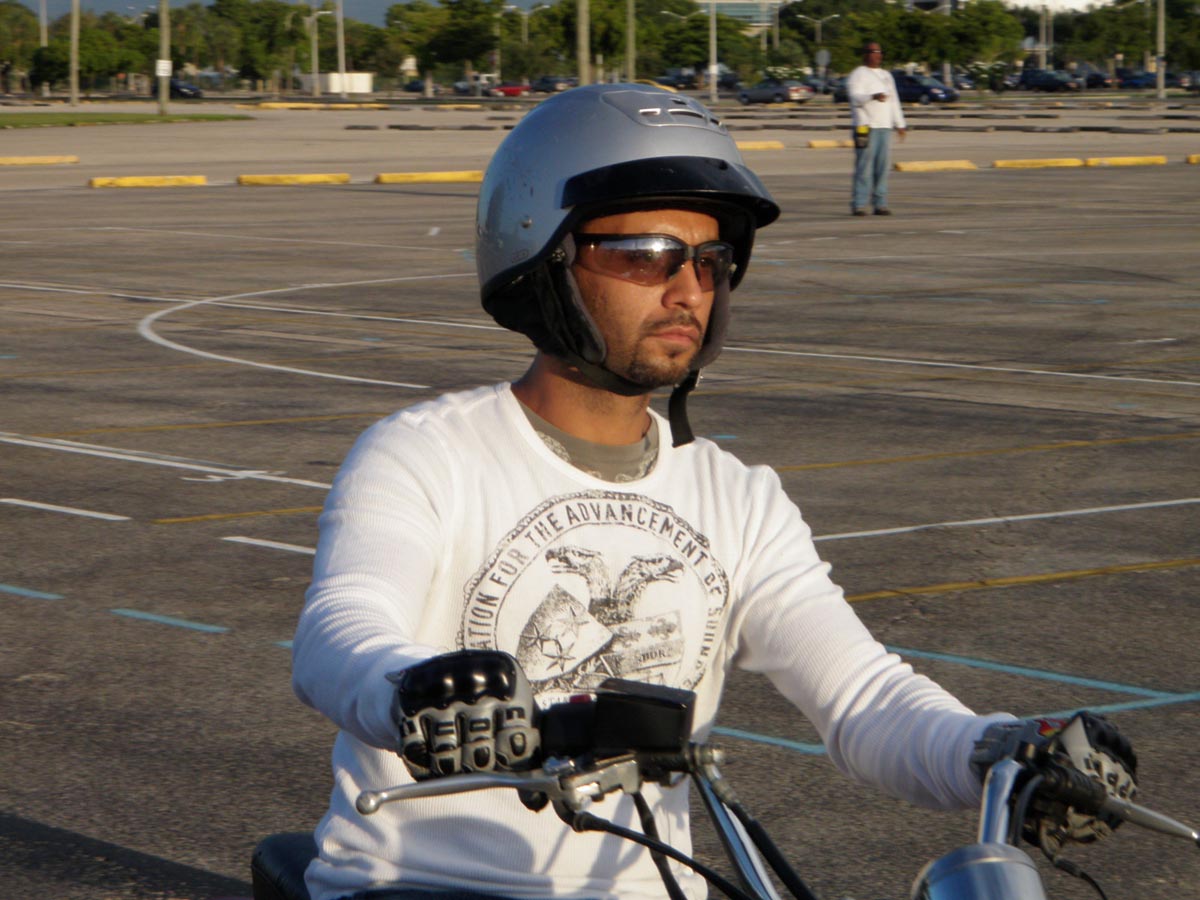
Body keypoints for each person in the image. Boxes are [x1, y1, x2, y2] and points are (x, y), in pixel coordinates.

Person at [290, 84, 1134, 900]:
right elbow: (342, 631)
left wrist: (999, 754)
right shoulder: (427, 454)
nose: (688, 288)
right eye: (644, 254)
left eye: (710, 259)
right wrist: (415, 693)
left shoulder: (739, 498)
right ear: (544, 259)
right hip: (422, 885)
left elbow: (863, 697)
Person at [846, 42, 907, 216]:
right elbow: (855, 97)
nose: (878, 55)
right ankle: (859, 204)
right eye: (874, 52)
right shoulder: (858, 74)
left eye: (880, 51)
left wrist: (900, 124)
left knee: (882, 167)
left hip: (884, 126)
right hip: (865, 127)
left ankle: (880, 203)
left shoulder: (886, 75)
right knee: (864, 167)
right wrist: (872, 96)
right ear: (866, 54)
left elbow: (894, 101)